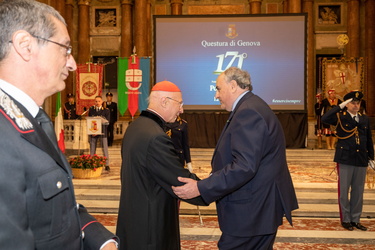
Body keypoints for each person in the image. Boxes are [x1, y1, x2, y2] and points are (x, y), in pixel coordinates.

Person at [0, 0, 118, 249]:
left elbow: (58, 206)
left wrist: (101, 240)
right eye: (65, 48)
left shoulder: (35, 120)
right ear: (25, 46)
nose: (73, 63)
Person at [172, 67, 298, 250]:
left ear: (233, 86)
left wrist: (201, 187)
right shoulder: (250, 106)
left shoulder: (248, 112)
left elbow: (244, 166)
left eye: (218, 88)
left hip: (251, 213)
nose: (216, 95)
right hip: (256, 210)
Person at [116, 81, 207, 250]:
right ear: (164, 101)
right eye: (179, 104)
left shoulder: (136, 127)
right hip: (152, 228)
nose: (182, 110)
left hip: (135, 219)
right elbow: (179, 179)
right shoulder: (156, 136)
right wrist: (213, 189)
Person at [321, 91, 373, 231]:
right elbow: (324, 118)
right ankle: (346, 219)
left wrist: (371, 158)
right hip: (345, 158)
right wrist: (339, 106)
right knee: (344, 191)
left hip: (361, 158)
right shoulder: (340, 117)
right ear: (347, 104)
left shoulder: (364, 119)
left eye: (358, 103)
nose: (356, 106)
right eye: (353, 103)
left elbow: (368, 139)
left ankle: (356, 219)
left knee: (358, 192)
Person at [89, 95, 110, 171]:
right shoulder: (91, 110)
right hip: (93, 132)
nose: (97, 103)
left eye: (99, 101)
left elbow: (107, 122)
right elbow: (90, 121)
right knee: (92, 148)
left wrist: (99, 131)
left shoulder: (106, 110)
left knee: (105, 148)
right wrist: (94, 131)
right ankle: (91, 163)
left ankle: (107, 164)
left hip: (102, 131)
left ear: (102, 102)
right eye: (96, 101)